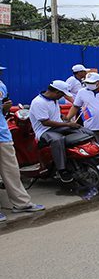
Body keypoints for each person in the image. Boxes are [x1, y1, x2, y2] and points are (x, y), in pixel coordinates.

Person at [0, 67, 45, 220]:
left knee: (11, 171)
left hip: (3, 135)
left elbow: (4, 111)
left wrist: (5, 108)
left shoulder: (1, 86)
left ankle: (21, 204)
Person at [67, 72, 99, 174]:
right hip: (90, 127)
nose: (89, 84)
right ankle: (97, 169)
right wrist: (68, 118)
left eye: (92, 82)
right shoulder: (82, 92)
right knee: (94, 150)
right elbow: (75, 106)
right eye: (87, 82)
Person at [29, 80, 78, 181]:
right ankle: (62, 170)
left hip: (58, 127)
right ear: (57, 92)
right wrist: (68, 124)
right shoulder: (38, 102)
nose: (63, 97)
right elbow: (46, 122)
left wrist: (64, 117)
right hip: (44, 131)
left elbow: (53, 114)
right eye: (62, 94)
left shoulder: (54, 100)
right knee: (57, 139)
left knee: (83, 131)